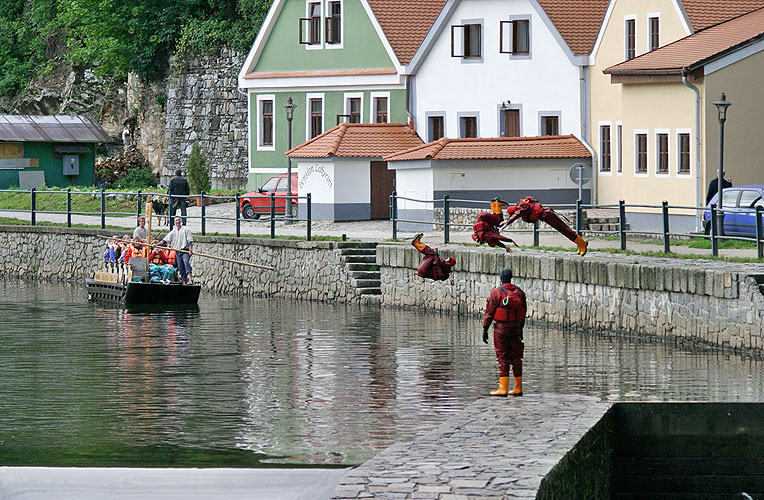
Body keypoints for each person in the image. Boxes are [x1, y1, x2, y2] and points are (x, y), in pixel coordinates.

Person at [482, 268, 527, 397]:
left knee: (502, 357)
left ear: (501, 278)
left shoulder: (496, 292)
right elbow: (523, 312)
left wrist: (485, 328)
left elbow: (489, 312)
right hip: (516, 328)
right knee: (516, 357)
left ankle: (503, 388)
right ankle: (518, 388)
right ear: (511, 277)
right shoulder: (520, 293)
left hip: (501, 329)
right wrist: (521, 329)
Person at [501, 196, 588, 256]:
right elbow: (516, 214)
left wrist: (507, 222)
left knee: (565, 230)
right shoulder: (521, 205)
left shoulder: (521, 208)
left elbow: (516, 214)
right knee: (565, 230)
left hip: (548, 215)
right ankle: (580, 244)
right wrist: (507, 220)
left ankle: (582, 243)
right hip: (547, 215)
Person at [161, 216, 194, 284]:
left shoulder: (185, 229)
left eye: (179, 220)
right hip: (178, 252)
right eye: (176, 220)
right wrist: (157, 244)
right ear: (174, 222)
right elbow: (165, 240)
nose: (178, 222)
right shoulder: (173, 232)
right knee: (180, 267)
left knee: (186, 262)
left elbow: (190, 241)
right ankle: (184, 282)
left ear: (181, 221)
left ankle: (190, 279)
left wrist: (190, 250)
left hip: (185, 251)